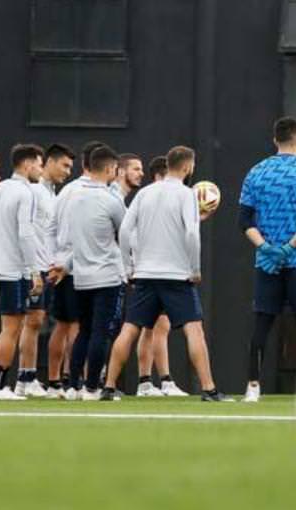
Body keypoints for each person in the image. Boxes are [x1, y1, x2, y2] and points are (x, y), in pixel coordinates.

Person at [102, 146, 231, 402]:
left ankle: (108, 387)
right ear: (187, 167)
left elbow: (126, 230)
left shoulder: (145, 194)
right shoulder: (186, 195)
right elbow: (192, 235)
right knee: (194, 331)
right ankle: (209, 389)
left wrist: (129, 267)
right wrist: (194, 269)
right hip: (177, 276)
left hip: (145, 275)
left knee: (129, 330)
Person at [239, 117, 296, 403]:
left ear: (275, 140)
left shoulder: (255, 172)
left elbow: (244, 221)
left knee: (261, 324)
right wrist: (289, 247)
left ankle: (253, 387)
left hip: (266, 262)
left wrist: (266, 248)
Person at [51, 145, 125, 401]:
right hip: (106, 276)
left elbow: (74, 239)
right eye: (115, 168)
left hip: (81, 277)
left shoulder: (73, 197)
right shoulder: (111, 200)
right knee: (100, 332)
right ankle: (92, 387)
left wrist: (66, 265)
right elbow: (125, 236)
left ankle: (73, 386)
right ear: (108, 169)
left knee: (83, 330)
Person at [0, 144, 46, 399]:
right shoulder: (25, 192)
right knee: (12, 329)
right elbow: (26, 234)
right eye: (39, 165)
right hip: (12, 273)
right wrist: (34, 271)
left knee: (4, 329)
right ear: (28, 165)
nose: (40, 170)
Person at [46, 141, 104, 398]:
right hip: (78, 266)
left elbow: (51, 227)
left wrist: (53, 259)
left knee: (62, 324)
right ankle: (74, 381)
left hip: (61, 263)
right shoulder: (92, 192)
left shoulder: (65, 191)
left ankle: (55, 381)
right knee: (77, 327)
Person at [16, 143, 73, 398]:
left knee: (38, 321)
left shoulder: (53, 195)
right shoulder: (34, 191)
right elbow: (26, 232)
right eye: (64, 165)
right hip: (34, 268)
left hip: (49, 268)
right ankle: (24, 377)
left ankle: (35, 379)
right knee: (32, 320)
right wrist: (33, 267)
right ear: (48, 162)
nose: (68, 171)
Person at [134, 153, 185, 397]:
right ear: (160, 176)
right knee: (150, 327)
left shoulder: (146, 198)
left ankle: (149, 382)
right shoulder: (152, 198)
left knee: (150, 327)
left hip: (145, 270)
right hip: (156, 271)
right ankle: (159, 381)